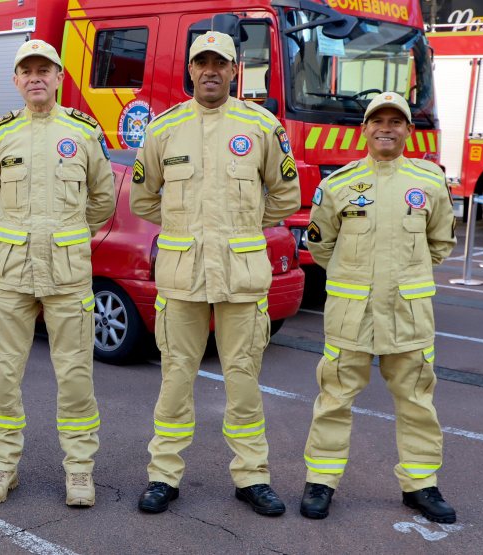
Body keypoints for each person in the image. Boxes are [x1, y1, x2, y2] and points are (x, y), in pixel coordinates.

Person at [130, 32, 300, 515]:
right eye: (201, 62)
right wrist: (191, 230)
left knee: (243, 379)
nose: (209, 70)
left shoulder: (262, 126)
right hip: (183, 275)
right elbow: (143, 198)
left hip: (241, 275)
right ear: (189, 70)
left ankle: (252, 477)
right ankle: (163, 476)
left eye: (219, 63)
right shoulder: (164, 129)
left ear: (234, 69)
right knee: (175, 378)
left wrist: (238, 229)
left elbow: (286, 196)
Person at [300, 93, 457, 523]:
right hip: (352, 313)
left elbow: (440, 244)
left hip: (408, 315)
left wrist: (406, 274)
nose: (386, 128)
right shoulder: (338, 184)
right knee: (333, 399)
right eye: (378, 121)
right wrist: (355, 278)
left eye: (396, 121)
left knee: (417, 402)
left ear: (408, 130)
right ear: (364, 129)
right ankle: (321, 483)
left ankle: (421, 486)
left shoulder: (428, 181)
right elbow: (320, 245)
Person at [0, 40, 115, 506]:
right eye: (26, 70)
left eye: (45, 69)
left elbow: (102, 200)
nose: (36, 77)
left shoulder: (84, 132)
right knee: (2, 375)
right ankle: (3, 467)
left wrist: (66, 235)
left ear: (58, 77)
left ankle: (79, 471)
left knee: (75, 376)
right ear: (16, 80)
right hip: (12, 273)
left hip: (68, 274)